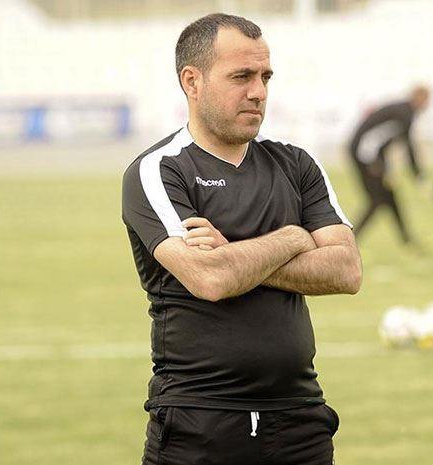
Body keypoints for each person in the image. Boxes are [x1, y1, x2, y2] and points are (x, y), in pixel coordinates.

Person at [121, 13, 362, 465]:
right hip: (199, 423)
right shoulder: (159, 170)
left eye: (265, 77)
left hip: (300, 420)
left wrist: (233, 253)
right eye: (241, 76)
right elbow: (211, 279)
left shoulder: (296, 164)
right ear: (192, 81)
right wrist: (294, 237)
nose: (259, 92)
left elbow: (347, 270)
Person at [348, 86, 430, 245]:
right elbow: (372, 139)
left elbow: (386, 140)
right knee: (376, 199)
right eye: (427, 100)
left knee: (390, 196)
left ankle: (407, 239)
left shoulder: (404, 112)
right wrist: (373, 163)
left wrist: (386, 166)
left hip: (371, 155)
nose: (428, 105)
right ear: (419, 98)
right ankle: (350, 238)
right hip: (363, 154)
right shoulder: (404, 113)